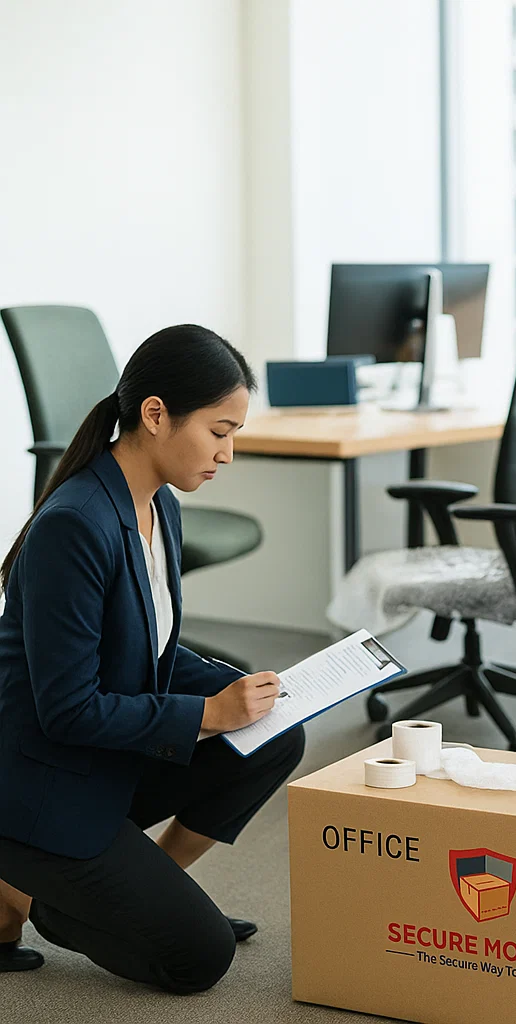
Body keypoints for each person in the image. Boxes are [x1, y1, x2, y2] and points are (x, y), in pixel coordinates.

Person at [0, 325, 305, 991]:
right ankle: (32, 889)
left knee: (274, 732)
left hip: (102, 759)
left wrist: (237, 691)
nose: (228, 454)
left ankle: (145, 888)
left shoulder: (158, 502)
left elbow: (151, 647)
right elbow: (67, 712)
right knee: (197, 961)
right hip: (40, 785)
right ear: (156, 414)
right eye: (219, 431)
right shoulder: (75, 525)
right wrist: (204, 712)